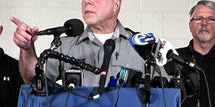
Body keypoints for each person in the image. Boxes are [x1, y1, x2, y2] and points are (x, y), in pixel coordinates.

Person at [11, 0, 147, 85]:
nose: (87, 1)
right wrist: (26, 49)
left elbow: (164, 93)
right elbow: (34, 81)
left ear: (116, 4)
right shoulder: (65, 46)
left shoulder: (142, 47)